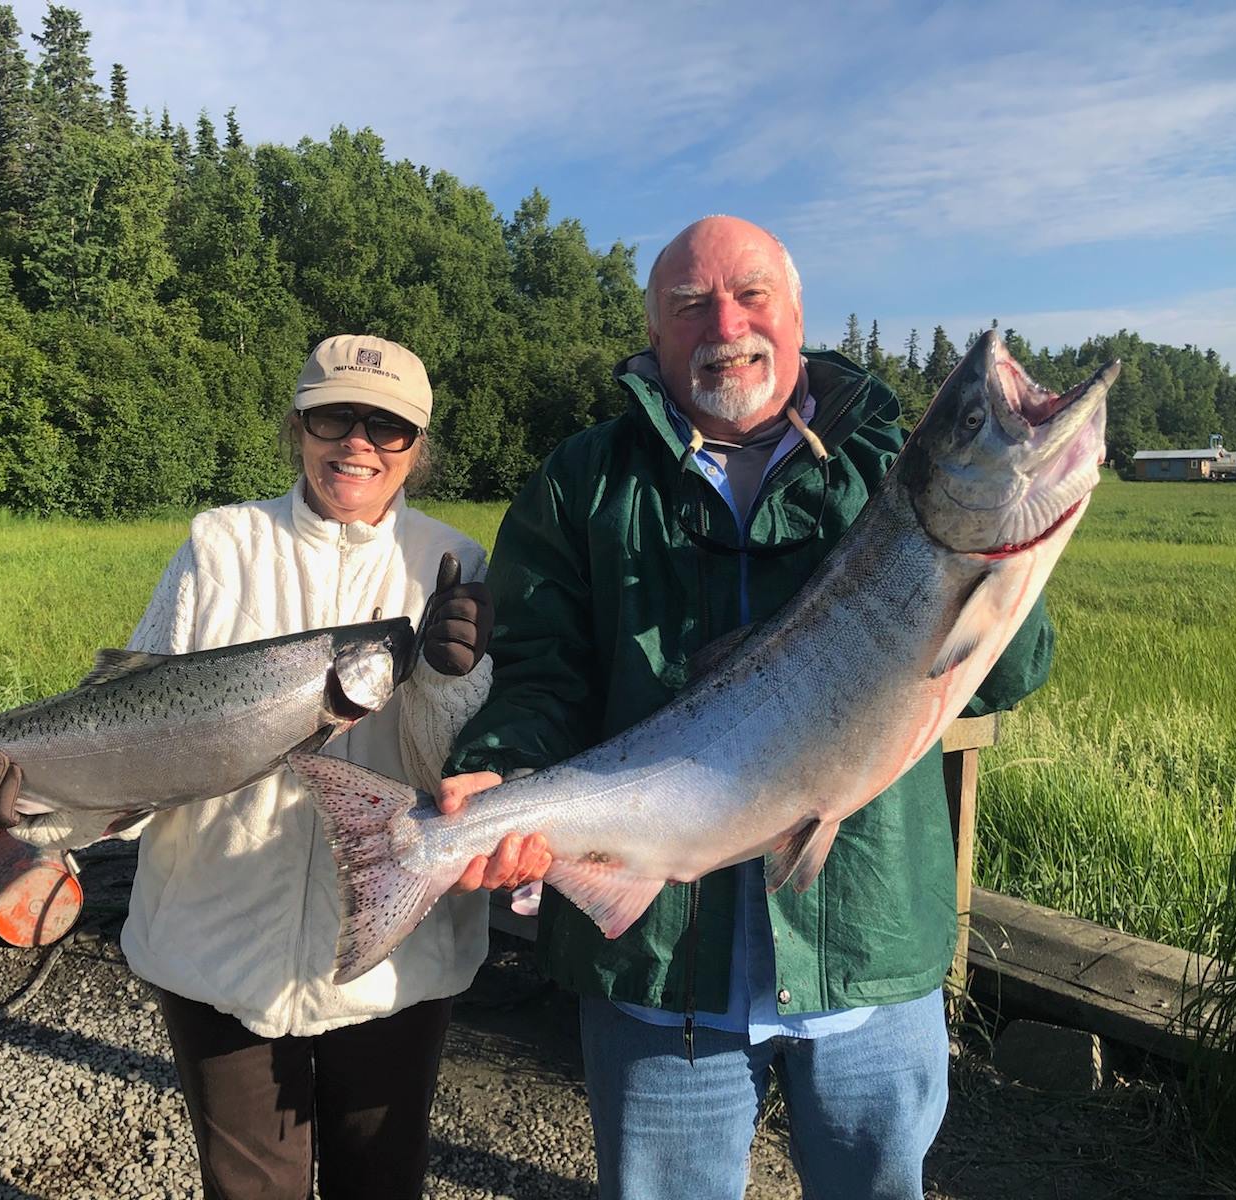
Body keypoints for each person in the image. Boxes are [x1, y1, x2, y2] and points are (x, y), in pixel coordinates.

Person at [441, 216, 1054, 1200]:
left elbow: (1008, 675)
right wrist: (507, 772)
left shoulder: (889, 466)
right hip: (661, 975)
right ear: (653, 332)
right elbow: (538, 676)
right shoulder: (583, 483)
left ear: (796, 316)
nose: (723, 323)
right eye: (689, 304)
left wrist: (999, 558)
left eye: (750, 295)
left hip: (870, 956)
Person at [0, 334, 513, 1200]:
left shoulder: (454, 565)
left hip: (394, 958)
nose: (357, 443)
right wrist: (29, 811)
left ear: (418, 448)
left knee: (382, 1184)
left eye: (388, 427)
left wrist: (453, 683)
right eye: (333, 415)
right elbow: (129, 742)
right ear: (296, 425)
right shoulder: (219, 546)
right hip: (215, 948)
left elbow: (462, 785)